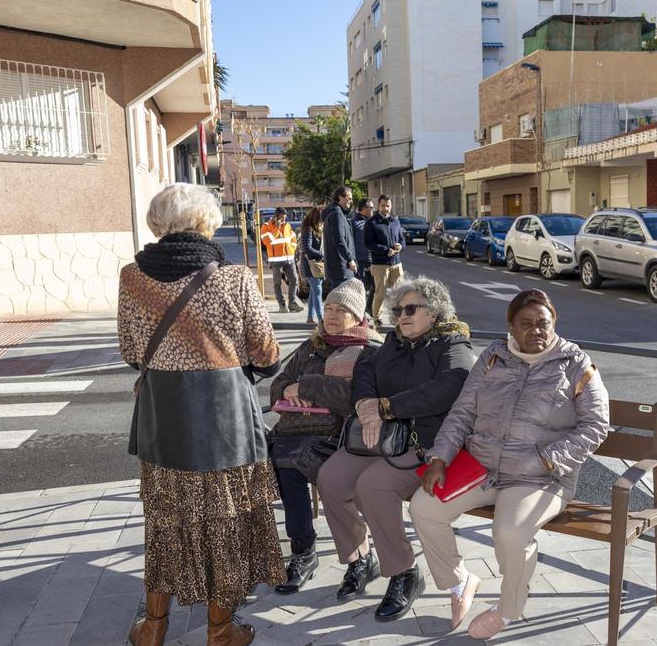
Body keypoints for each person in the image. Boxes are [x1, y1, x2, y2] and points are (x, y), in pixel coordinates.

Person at [119, 184, 284, 646]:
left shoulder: (132, 277)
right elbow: (268, 354)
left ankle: (153, 629)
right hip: (224, 421)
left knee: (165, 521)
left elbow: (132, 351)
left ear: (158, 224)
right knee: (225, 522)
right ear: (206, 223)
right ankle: (220, 631)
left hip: (163, 418)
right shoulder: (234, 279)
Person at [410, 289, 609, 640]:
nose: (536, 331)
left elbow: (596, 426)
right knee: (423, 507)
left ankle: (508, 609)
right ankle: (459, 582)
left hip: (539, 477)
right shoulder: (492, 357)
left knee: (512, 533)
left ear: (554, 323)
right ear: (511, 328)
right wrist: (440, 457)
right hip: (482, 467)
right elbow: (463, 412)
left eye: (543, 324)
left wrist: (546, 459)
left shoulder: (576, 364)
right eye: (526, 324)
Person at [316, 277, 474, 622]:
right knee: (330, 478)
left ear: (434, 312)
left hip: (425, 442)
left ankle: (404, 572)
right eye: (398, 309)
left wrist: (386, 407)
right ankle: (360, 559)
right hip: (379, 437)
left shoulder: (452, 344)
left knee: (373, 485)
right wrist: (365, 404)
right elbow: (364, 372)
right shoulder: (392, 343)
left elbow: (449, 387)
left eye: (411, 308)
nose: (402, 315)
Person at [268, 278, 383, 595]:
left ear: (357, 316)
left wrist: (307, 387)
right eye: (328, 308)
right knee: (272, 458)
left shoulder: (368, 351)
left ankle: (354, 557)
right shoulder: (312, 345)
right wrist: (290, 390)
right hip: (294, 430)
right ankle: (302, 550)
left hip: (340, 436)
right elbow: (278, 385)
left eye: (341, 310)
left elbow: (356, 397)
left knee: (292, 463)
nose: (331, 315)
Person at [363, 195, 405, 324]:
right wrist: (385, 250)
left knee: (400, 293)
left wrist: (400, 246)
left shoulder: (395, 221)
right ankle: (377, 318)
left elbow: (402, 239)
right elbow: (368, 243)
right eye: (383, 205)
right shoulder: (371, 222)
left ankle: (398, 318)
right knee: (380, 294)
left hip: (396, 263)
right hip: (380, 265)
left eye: (388, 206)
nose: (386, 208)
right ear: (378, 206)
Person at [261, 206, 302, 313]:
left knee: (294, 280)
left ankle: (292, 303)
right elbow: (266, 241)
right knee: (277, 283)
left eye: (285, 217)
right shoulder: (266, 226)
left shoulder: (287, 226)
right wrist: (276, 228)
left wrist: (292, 249)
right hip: (275, 260)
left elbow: (293, 239)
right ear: (276, 217)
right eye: (281, 218)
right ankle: (282, 305)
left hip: (289, 259)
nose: (284, 220)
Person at [322, 186, 357, 289]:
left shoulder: (337, 213)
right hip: (341, 268)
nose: (351, 201)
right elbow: (339, 240)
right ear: (340, 197)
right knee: (341, 301)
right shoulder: (337, 214)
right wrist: (350, 259)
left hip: (341, 268)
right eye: (349, 198)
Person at [351, 198, 377, 318]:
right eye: (371, 208)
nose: (373, 210)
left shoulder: (373, 221)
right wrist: (352, 259)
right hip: (359, 260)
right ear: (364, 209)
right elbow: (350, 242)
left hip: (373, 260)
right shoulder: (354, 222)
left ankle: (368, 306)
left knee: (376, 286)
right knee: (360, 288)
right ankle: (359, 314)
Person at [299, 206, 325, 324]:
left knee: (314, 291)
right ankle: (321, 319)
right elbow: (307, 248)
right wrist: (322, 255)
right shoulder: (308, 229)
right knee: (318, 290)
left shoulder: (318, 229)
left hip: (316, 265)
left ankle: (310, 317)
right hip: (310, 264)